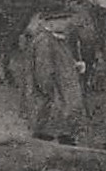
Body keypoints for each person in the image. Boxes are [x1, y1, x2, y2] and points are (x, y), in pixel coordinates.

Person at [25, 14, 83, 145]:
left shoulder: (56, 39)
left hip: (60, 104)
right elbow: (43, 73)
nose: (67, 23)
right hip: (55, 106)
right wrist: (54, 95)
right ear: (51, 22)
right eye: (62, 20)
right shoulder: (45, 42)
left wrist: (73, 65)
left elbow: (59, 61)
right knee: (48, 138)